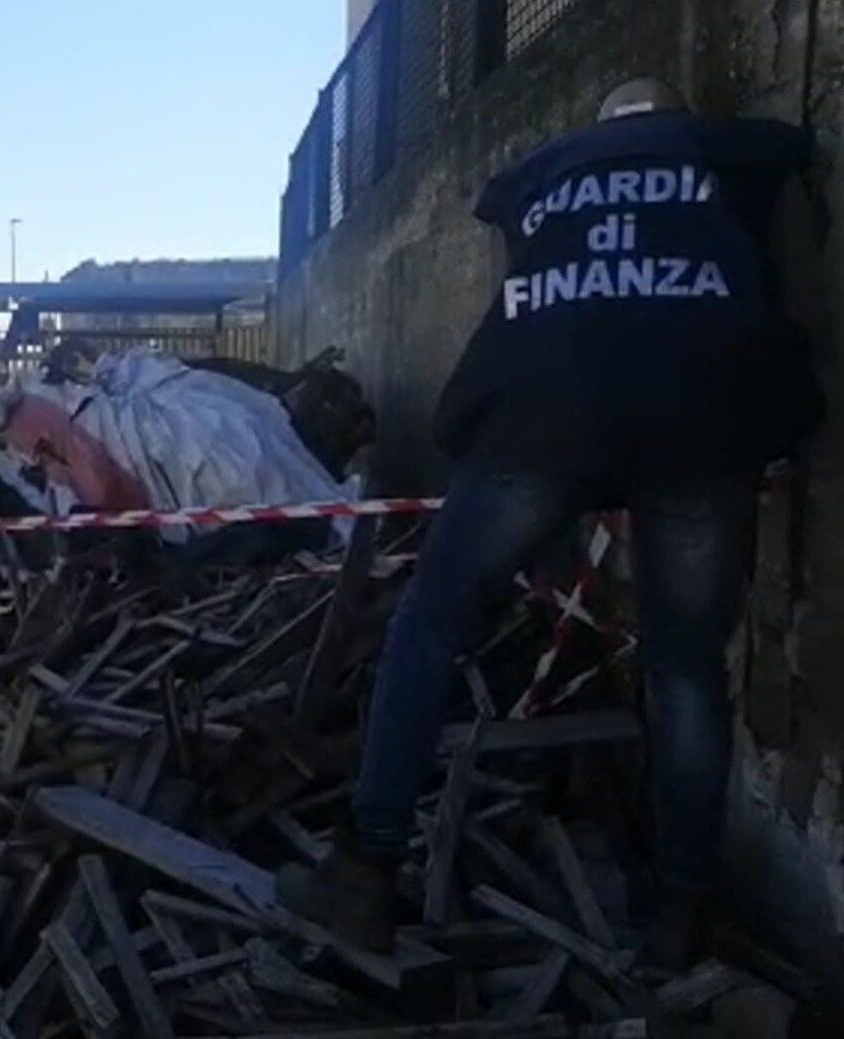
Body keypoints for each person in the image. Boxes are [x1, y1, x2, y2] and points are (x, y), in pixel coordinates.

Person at [277, 79, 822, 968]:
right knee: (685, 664)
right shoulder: (727, 152)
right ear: (673, 113)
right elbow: (778, 254)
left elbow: (531, 293)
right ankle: (683, 912)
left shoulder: (541, 174)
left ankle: (363, 870)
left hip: (543, 425)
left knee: (430, 622)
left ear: (599, 128)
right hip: (697, 422)